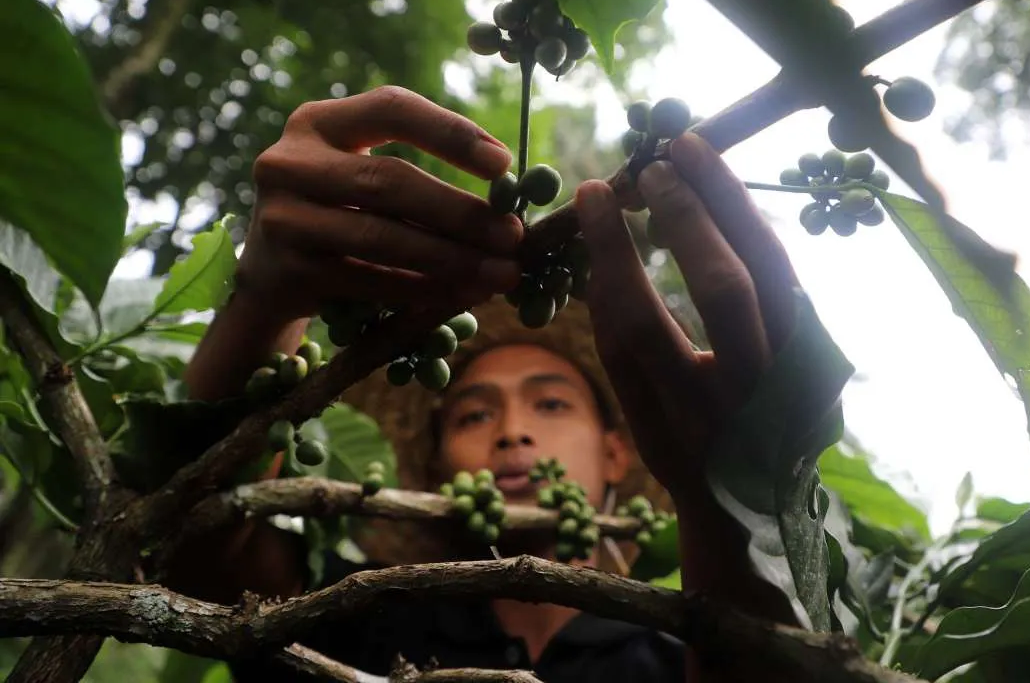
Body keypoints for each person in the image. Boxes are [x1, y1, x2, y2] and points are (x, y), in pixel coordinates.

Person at [174, 86, 852, 682]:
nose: (514, 431)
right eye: (471, 415)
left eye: (551, 403)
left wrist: (733, 497)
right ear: (436, 465)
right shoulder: (365, 615)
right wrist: (267, 303)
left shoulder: (672, 654)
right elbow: (196, 551)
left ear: (618, 450)